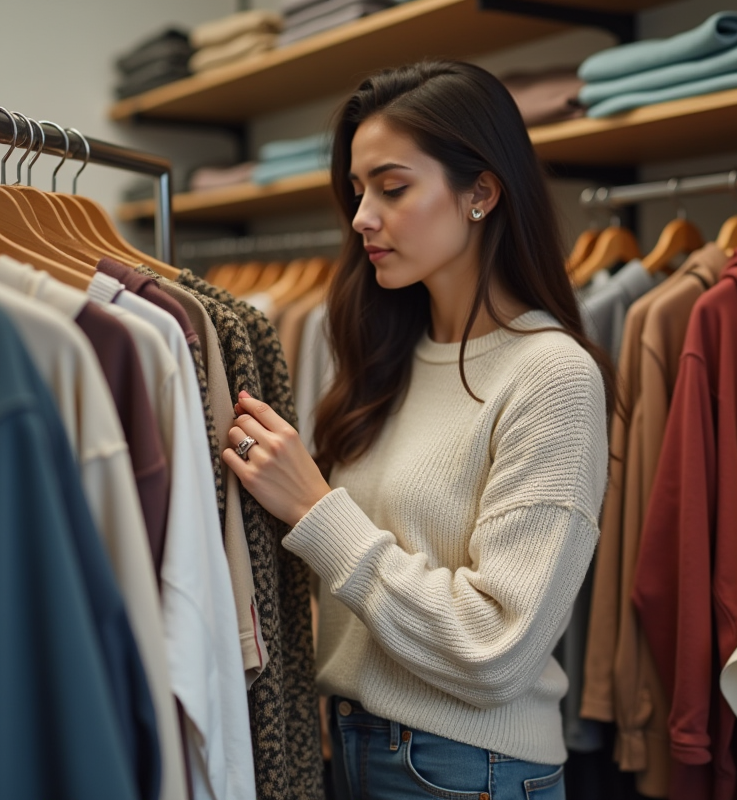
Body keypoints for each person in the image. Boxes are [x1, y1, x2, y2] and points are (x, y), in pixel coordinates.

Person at [222, 60, 614, 800]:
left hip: (467, 770)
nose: (363, 216)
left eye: (392, 188)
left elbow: (498, 649)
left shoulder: (550, 375)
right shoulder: (385, 359)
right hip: (356, 747)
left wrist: (315, 511)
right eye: (358, 191)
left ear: (481, 193)